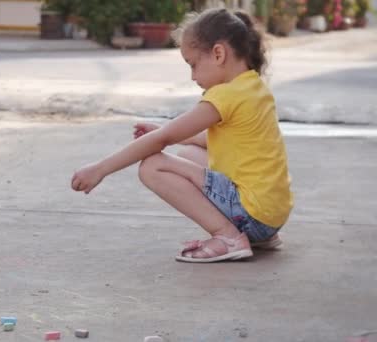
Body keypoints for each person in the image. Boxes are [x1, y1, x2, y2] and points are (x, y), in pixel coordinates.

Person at [70, 9, 293, 263]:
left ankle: (228, 236)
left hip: (252, 214)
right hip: (271, 216)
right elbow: (226, 143)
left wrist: (100, 169)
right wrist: (174, 136)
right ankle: (257, 236)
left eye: (193, 64)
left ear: (218, 54)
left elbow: (161, 140)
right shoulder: (253, 87)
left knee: (153, 166)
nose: (192, 76)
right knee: (190, 154)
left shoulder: (224, 95)